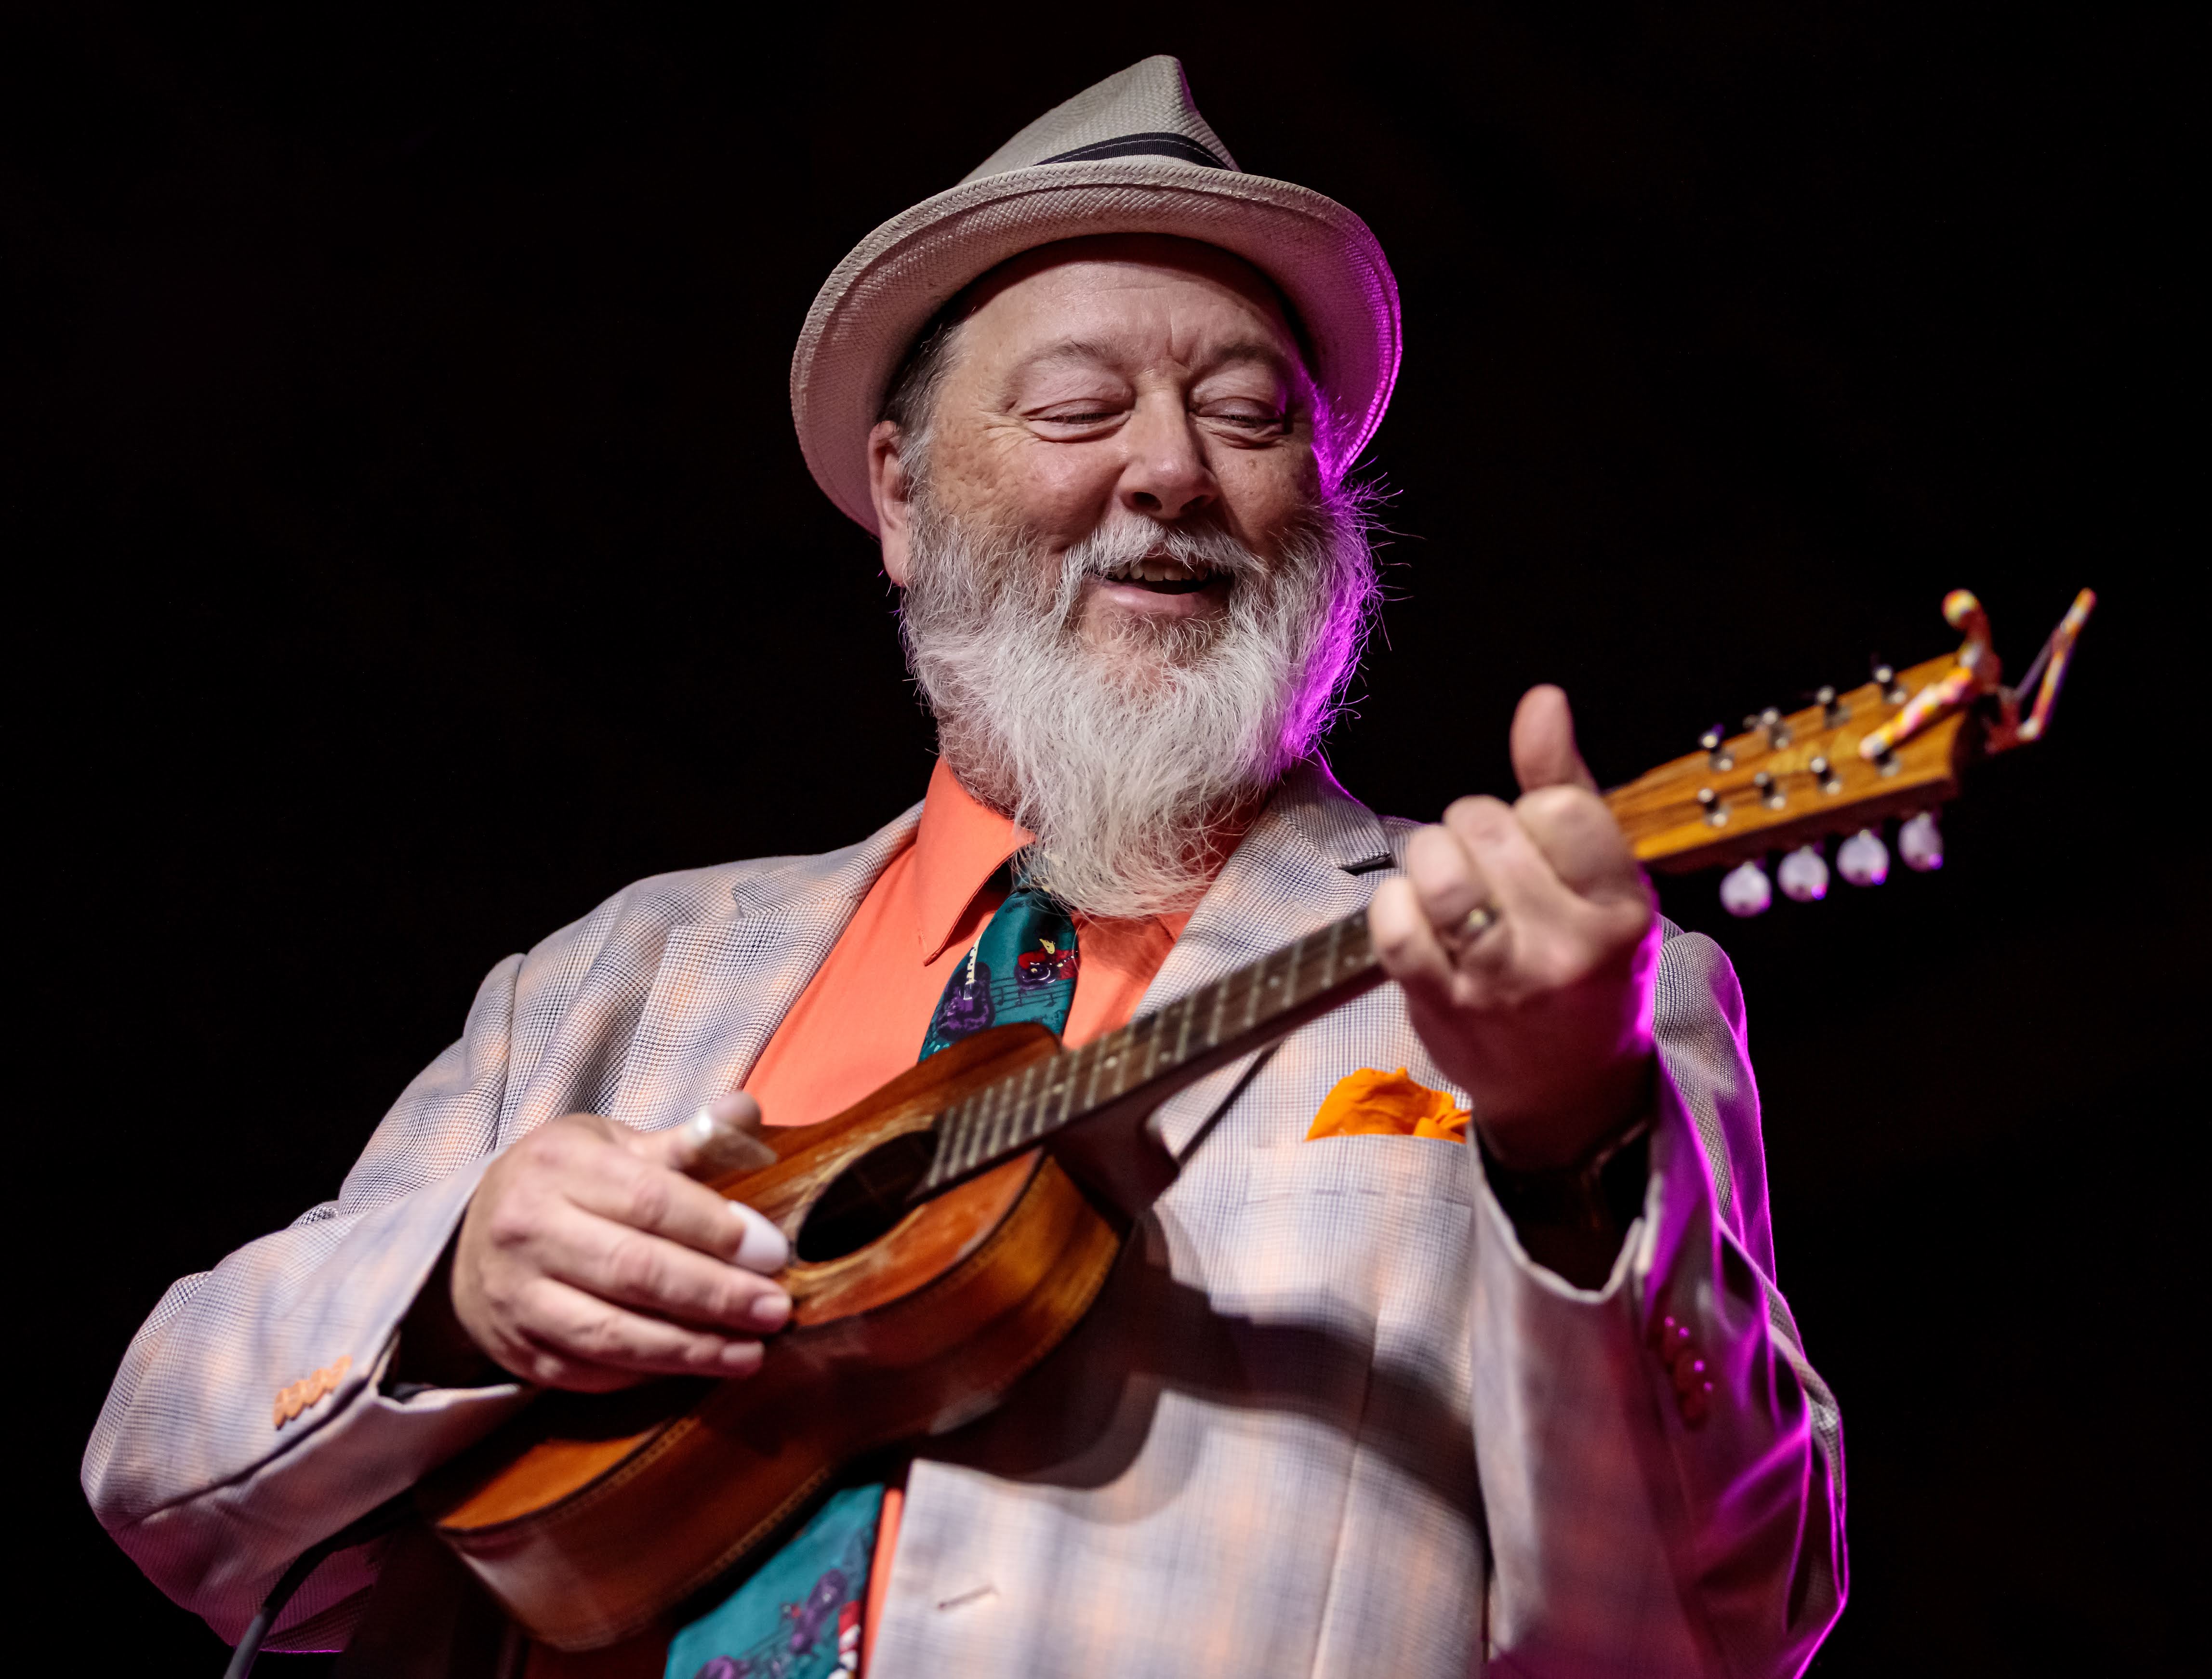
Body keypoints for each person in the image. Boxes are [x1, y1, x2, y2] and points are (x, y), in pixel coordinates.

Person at [85, 56, 1844, 1678]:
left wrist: (1573, 1147)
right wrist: (456, 1290)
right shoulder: (627, 972)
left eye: (1246, 418)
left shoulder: (1565, 991)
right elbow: (162, 1461)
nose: (1171, 471)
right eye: (1082, 409)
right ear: (906, 500)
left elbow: (1713, 1624)